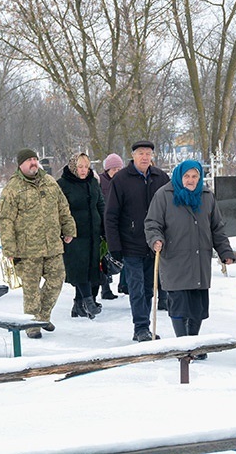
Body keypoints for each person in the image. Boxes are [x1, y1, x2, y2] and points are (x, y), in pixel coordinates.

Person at [145, 159, 236, 352]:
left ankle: (194, 344)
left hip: (199, 259)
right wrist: (155, 239)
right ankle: (182, 345)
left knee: (197, 307)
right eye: (187, 176)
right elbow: (153, 223)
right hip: (175, 259)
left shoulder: (206, 196)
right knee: (179, 304)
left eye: (195, 176)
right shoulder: (164, 195)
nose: (191, 180)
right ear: (179, 176)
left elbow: (217, 228)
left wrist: (225, 251)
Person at [0, 148, 76, 338]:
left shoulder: (49, 182)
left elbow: (63, 207)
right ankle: (32, 326)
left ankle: (42, 316)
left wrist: (69, 229)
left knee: (57, 280)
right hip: (27, 249)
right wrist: (9, 247)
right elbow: (6, 219)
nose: (33, 163)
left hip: (52, 245)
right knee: (31, 290)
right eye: (29, 160)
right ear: (20, 164)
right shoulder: (13, 188)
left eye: (35, 159)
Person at [105, 140, 170, 342]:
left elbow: (170, 209)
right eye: (141, 153)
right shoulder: (122, 179)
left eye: (148, 153)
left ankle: (145, 326)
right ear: (133, 156)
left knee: (150, 287)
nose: (145, 157)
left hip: (155, 244)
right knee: (136, 287)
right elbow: (111, 215)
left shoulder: (161, 177)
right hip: (131, 243)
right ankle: (140, 327)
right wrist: (114, 246)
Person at [57, 153, 106, 319]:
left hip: (93, 232)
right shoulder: (63, 184)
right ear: (73, 167)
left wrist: (105, 228)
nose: (84, 170)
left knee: (92, 268)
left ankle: (78, 305)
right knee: (79, 268)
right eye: (80, 167)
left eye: (86, 167)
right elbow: (58, 211)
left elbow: (100, 204)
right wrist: (63, 231)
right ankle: (88, 301)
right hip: (74, 234)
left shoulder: (93, 182)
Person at [99, 153, 124, 300]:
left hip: (121, 223)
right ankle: (105, 287)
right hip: (104, 224)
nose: (116, 171)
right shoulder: (101, 182)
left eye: (119, 168)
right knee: (104, 258)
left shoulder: (123, 181)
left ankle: (123, 283)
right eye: (113, 168)